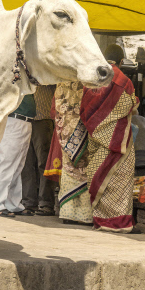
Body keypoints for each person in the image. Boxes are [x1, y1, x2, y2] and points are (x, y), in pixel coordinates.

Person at [80, 44, 138, 232]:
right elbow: (130, 104)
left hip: (96, 138)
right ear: (121, 61)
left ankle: (101, 220)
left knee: (97, 177)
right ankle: (119, 224)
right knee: (120, 181)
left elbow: (84, 110)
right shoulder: (124, 80)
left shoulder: (93, 78)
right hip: (119, 140)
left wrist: (99, 125)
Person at [0, 94, 36, 217]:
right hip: (14, 119)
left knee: (18, 166)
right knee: (7, 162)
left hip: (26, 120)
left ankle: (13, 204)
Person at [54, 80, 93, 224]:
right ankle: (85, 216)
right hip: (82, 129)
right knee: (84, 171)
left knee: (69, 170)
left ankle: (68, 214)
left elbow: (58, 106)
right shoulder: (86, 81)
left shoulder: (62, 81)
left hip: (66, 130)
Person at [21, 85, 57, 216]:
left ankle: (46, 204)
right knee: (26, 164)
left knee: (44, 163)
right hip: (25, 119)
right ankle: (28, 202)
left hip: (43, 119)